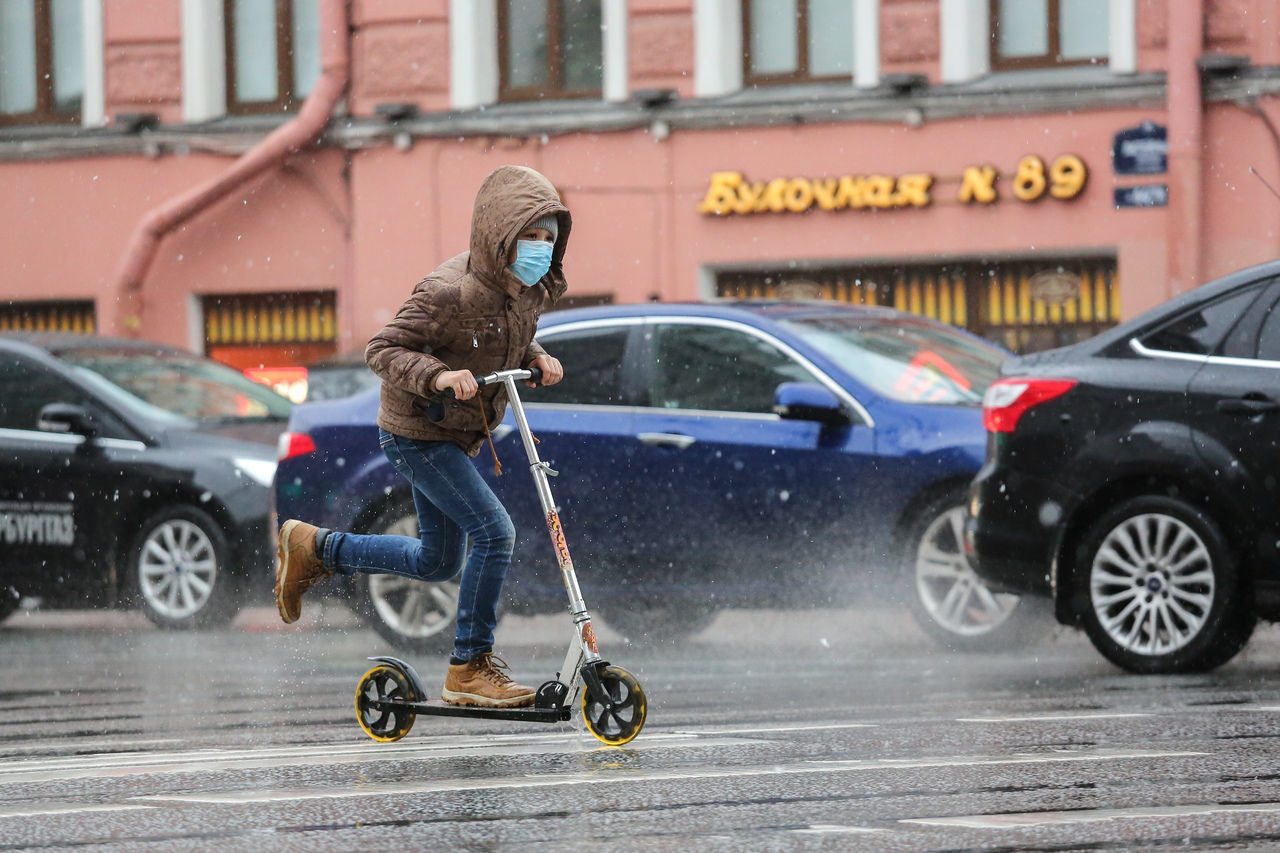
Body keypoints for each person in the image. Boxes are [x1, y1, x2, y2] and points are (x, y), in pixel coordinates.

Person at [274, 165, 569, 709]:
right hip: (416, 433)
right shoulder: (445, 292)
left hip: (457, 435)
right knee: (494, 532)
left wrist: (536, 357)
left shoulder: (527, 291)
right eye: (530, 235)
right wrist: (436, 376)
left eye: (549, 238)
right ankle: (469, 666)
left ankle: (315, 547)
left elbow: (503, 341)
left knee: (438, 562)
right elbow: (382, 350)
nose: (540, 248)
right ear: (499, 234)